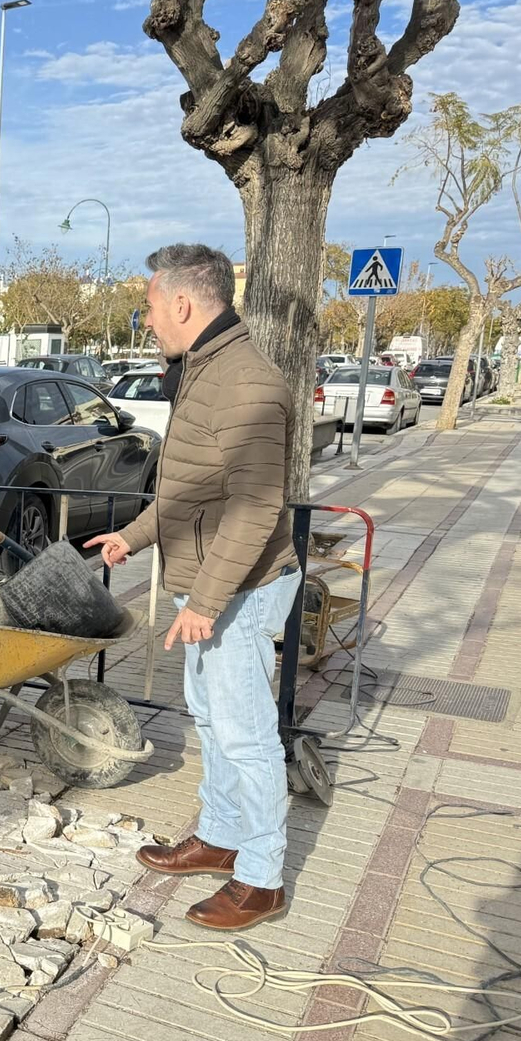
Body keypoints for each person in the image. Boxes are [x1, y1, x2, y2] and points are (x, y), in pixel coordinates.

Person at [86, 243, 300, 932]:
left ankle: (262, 877)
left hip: (235, 590)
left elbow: (257, 505)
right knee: (212, 720)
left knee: (247, 736)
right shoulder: (204, 371)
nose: (146, 319)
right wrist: (134, 538)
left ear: (182, 303)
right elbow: (188, 489)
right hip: (208, 586)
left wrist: (207, 602)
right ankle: (219, 835)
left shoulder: (244, 382)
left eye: (149, 305)